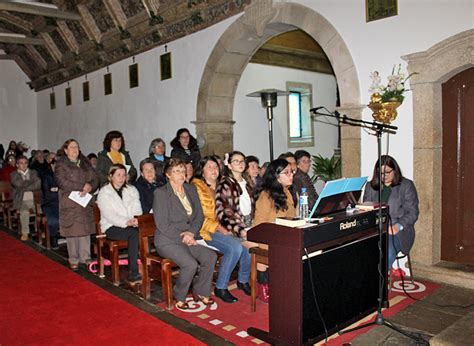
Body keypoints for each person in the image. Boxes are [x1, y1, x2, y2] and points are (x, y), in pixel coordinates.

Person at [153, 158, 216, 310]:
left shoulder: (190, 189)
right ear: (168, 175)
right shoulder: (161, 193)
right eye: (176, 171)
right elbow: (162, 224)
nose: (181, 174)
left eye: (183, 170)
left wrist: (191, 233)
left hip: (188, 237)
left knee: (210, 256)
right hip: (167, 240)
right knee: (190, 264)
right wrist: (185, 237)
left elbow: (199, 216)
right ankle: (179, 295)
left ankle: (201, 290)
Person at [192, 156, 251, 303]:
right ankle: (221, 287)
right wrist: (218, 226)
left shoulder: (222, 184)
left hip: (223, 227)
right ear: (202, 170)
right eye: (209, 167)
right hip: (203, 230)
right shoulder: (196, 187)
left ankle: (243, 281)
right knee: (235, 247)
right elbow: (196, 217)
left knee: (247, 244)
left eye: (216, 166)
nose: (214, 170)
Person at [363, 155, 419, 269]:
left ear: (395, 170)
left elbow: (413, 212)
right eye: (381, 173)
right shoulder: (370, 186)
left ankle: (379, 283)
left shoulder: (406, 185)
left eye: (387, 172)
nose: (384, 176)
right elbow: (366, 211)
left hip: (398, 232)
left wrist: (398, 226)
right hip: (375, 231)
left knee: (386, 251)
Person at [253, 158, 296, 302]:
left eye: (292, 172)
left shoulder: (287, 192)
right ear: (276, 176)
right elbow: (259, 225)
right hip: (267, 237)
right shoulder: (265, 195)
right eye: (287, 172)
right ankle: (263, 284)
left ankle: (292, 285)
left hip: (284, 235)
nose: (292, 175)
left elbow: (292, 218)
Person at [55, 139, 98, 270]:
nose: (75, 149)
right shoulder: (61, 164)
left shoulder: (85, 163)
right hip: (70, 199)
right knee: (72, 229)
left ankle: (85, 256)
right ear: (66, 150)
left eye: (77, 147)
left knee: (85, 228)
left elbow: (95, 178)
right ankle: (73, 257)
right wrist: (81, 186)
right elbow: (62, 181)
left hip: (84, 199)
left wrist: (91, 186)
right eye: (72, 147)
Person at [97, 164, 143, 283]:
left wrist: (135, 220)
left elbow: (137, 207)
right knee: (133, 234)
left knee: (143, 230)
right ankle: (133, 272)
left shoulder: (131, 189)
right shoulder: (104, 192)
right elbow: (110, 215)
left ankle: (147, 266)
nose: (121, 178)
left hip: (130, 224)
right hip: (112, 226)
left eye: (123, 175)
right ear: (111, 176)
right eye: (118, 175)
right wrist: (126, 222)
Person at [215, 151, 254, 242]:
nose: (240, 164)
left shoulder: (247, 182)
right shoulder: (226, 184)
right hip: (235, 226)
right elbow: (224, 212)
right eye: (236, 161)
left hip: (249, 222)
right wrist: (239, 230)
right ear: (229, 165)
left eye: (242, 161)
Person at [11, 155, 41, 240]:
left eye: (25, 163)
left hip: (34, 199)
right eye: (21, 163)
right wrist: (31, 183)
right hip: (21, 200)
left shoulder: (33, 172)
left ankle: (40, 230)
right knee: (24, 212)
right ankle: (25, 233)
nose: (24, 165)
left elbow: (38, 184)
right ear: (17, 165)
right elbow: (18, 184)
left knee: (41, 211)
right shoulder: (14, 174)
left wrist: (25, 185)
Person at [40, 158, 60, 249]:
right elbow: (48, 195)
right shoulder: (46, 177)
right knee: (53, 220)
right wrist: (59, 192)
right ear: (52, 165)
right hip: (49, 204)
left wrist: (56, 190)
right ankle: (53, 236)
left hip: (63, 203)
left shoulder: (63, 177)